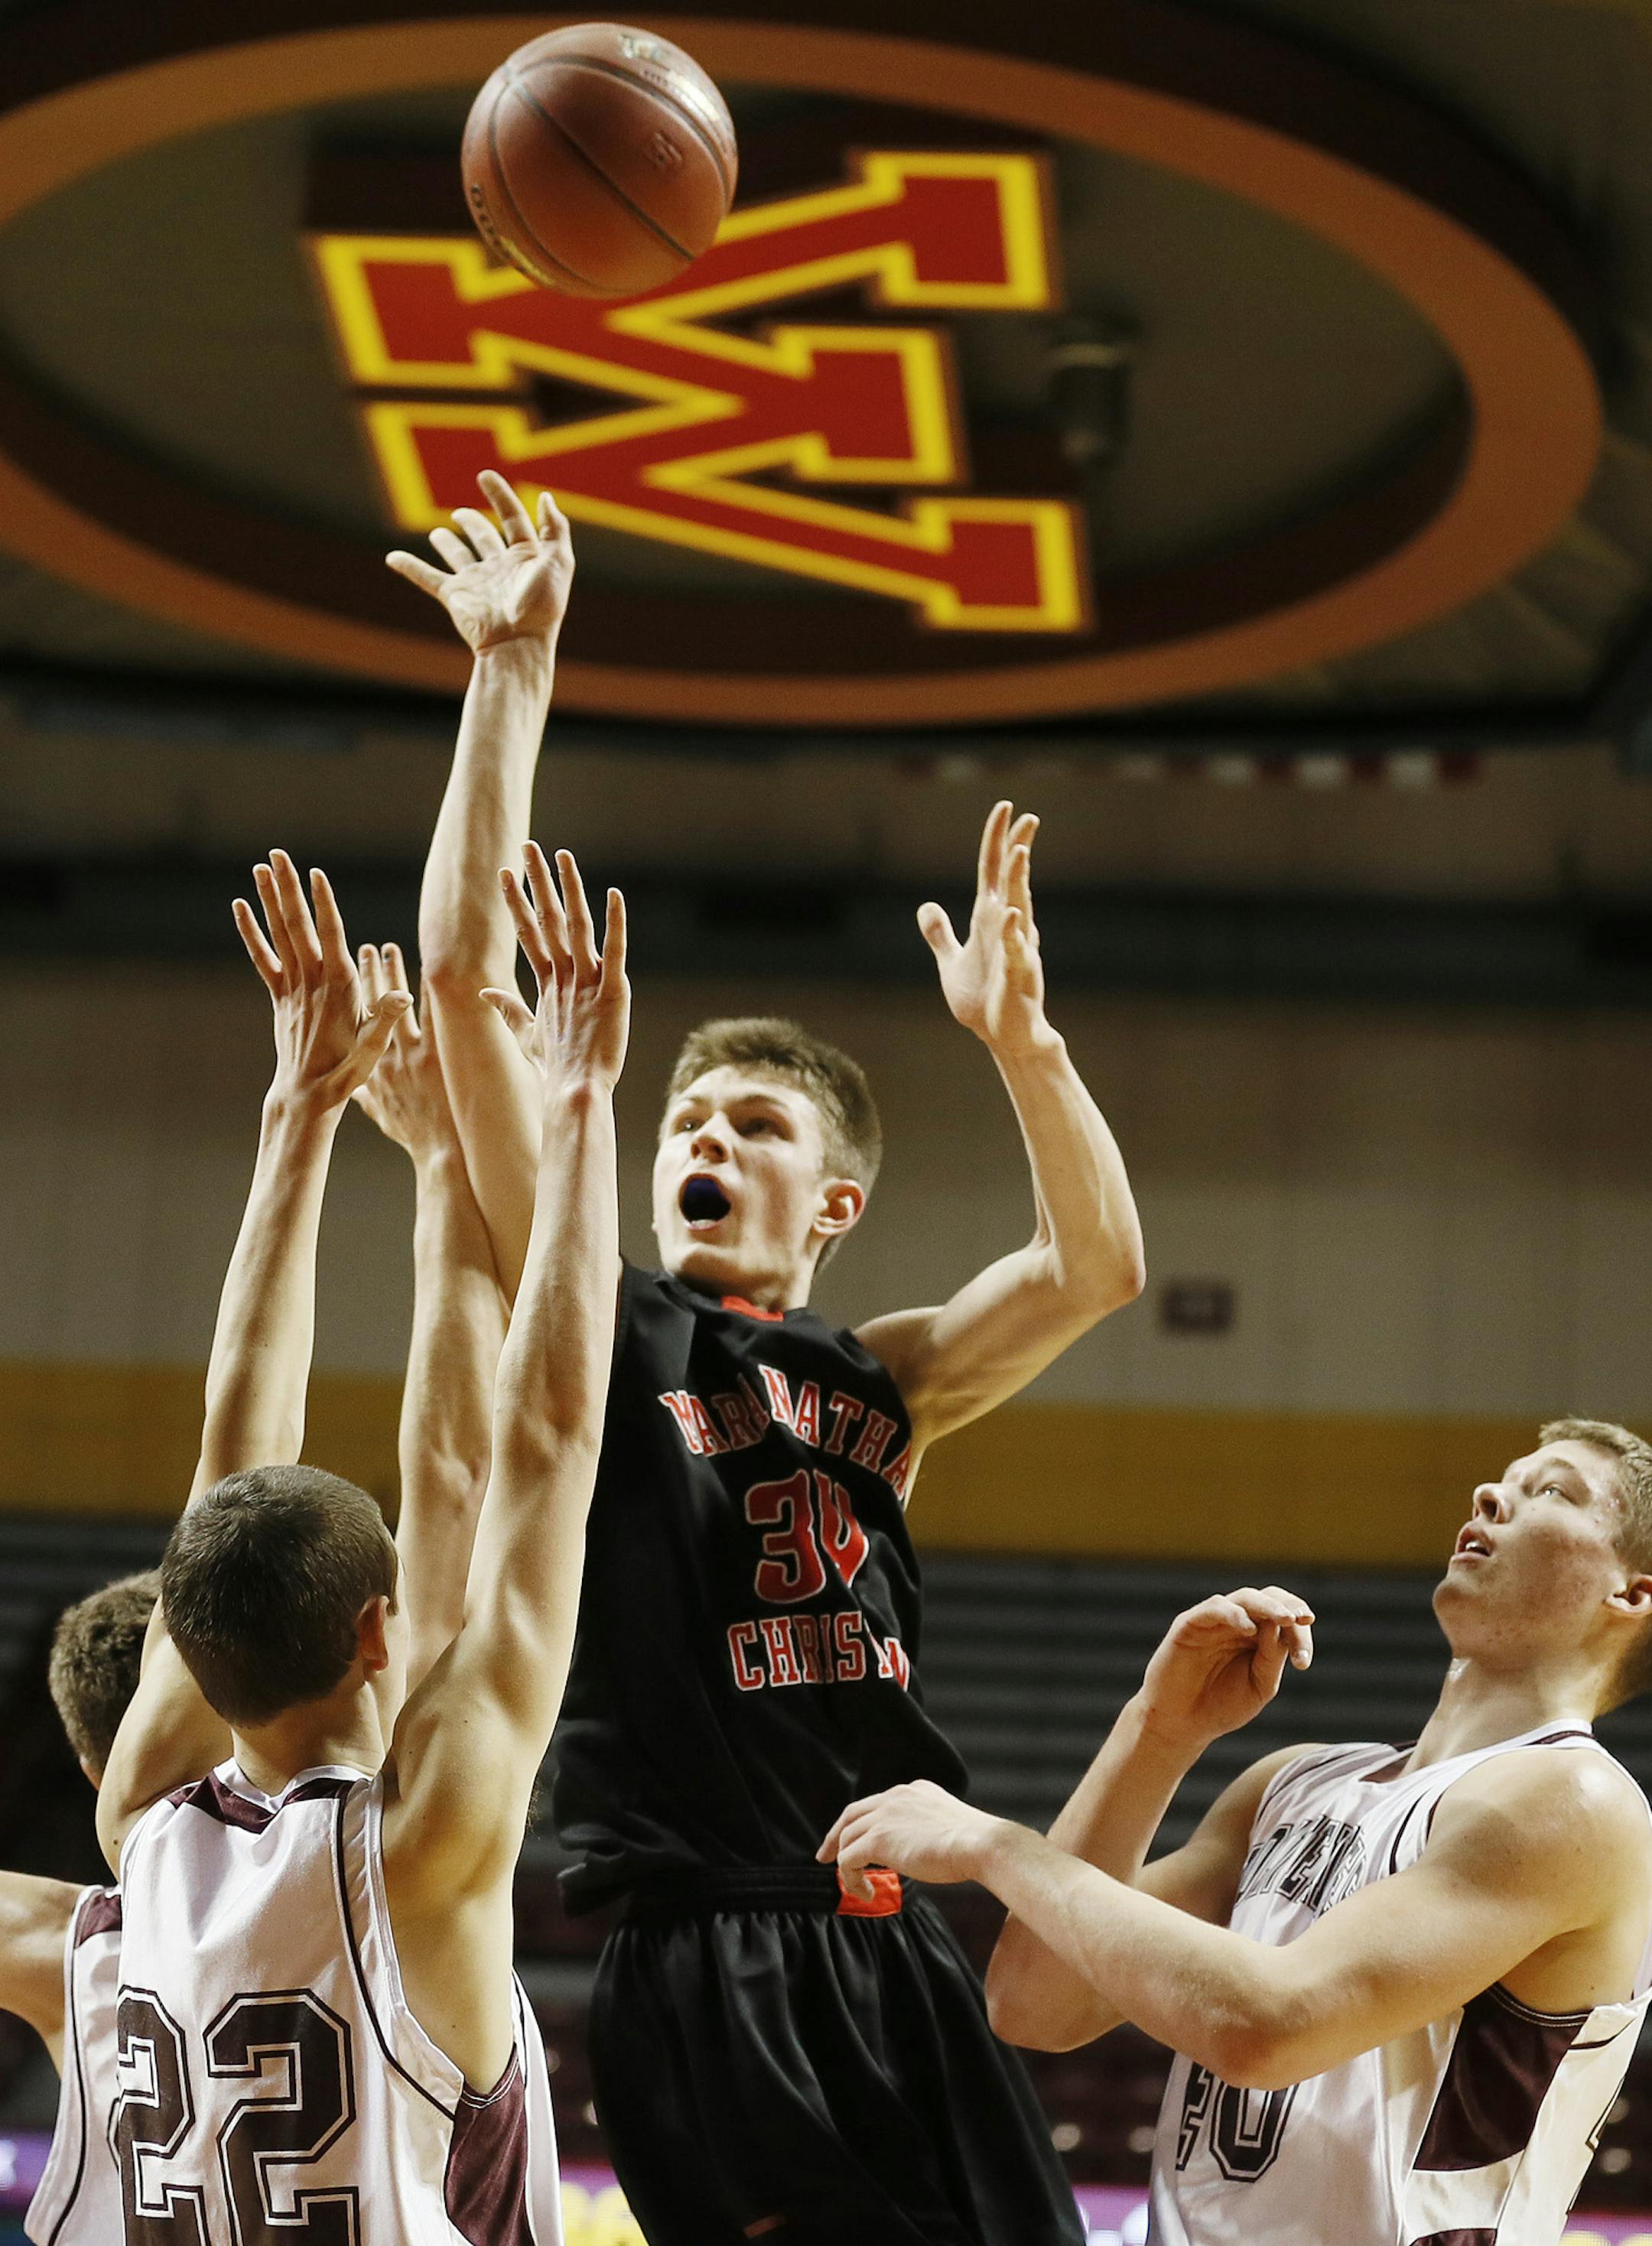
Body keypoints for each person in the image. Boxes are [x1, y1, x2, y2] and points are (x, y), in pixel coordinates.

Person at [392, 472, 1146, 2244]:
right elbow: (461, 985)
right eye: (681, 1119)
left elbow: (1093, 1264)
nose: (696, 1138)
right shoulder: (607, 1307)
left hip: (890, 1934)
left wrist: (1026, 1048)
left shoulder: (881, 1371)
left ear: (835, 1194)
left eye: (746, 1118)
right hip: (702, 1940)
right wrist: (510, 675)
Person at [84, 843, 618, 2241]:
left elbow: (246, 1460)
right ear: (382, 1630)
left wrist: (313, 1117)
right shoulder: (424, 1850)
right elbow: (543, 1443)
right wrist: (571, 1099)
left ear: (185, 1651)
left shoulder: (143, 1823)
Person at [823, 1421, 1652, 2246]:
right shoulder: (1293, 1784)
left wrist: (991, 1844)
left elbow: (1272, 2027)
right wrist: (1157, 1731)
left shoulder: (1574, 1799)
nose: (1489, 1493)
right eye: (1505, 1476)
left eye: (1552, 1490)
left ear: (1632, 1593)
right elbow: (1036, 1999)